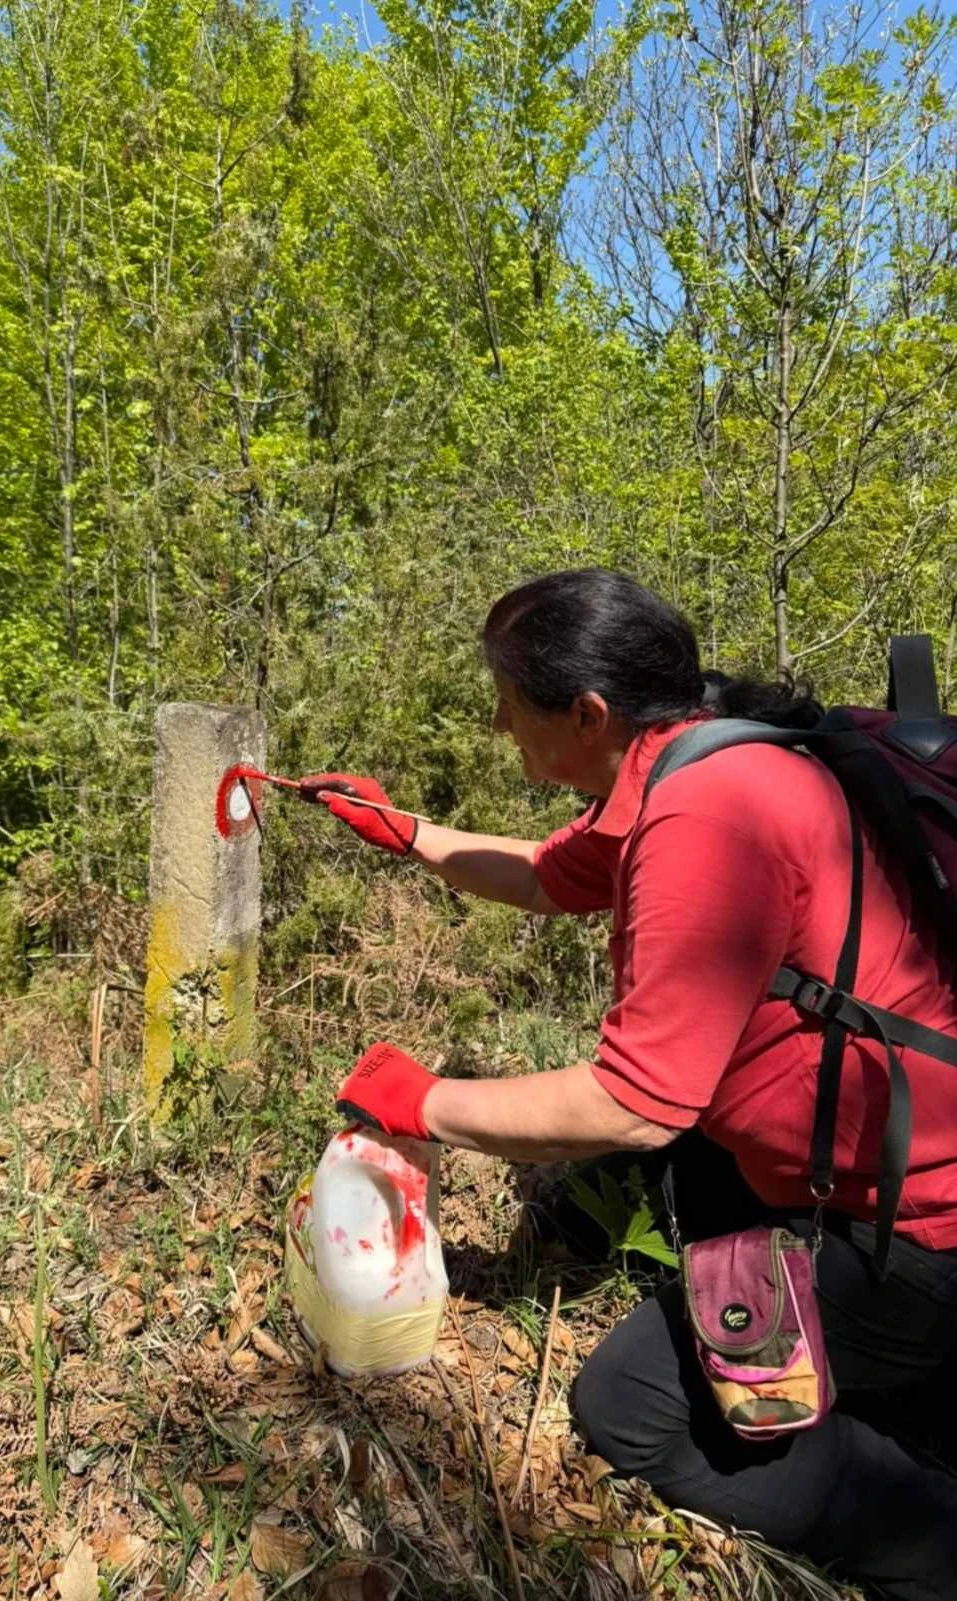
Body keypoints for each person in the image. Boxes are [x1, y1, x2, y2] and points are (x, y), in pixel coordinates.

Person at [301, 569, 957, 1601]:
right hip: (863, 1158)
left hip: (916, 1232)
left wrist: (421, 1100)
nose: (498, 724)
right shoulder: (695, 750)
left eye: (510, 702)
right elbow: (543, 874)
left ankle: (927, 1536)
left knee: (631, 1404)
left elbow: (636, 1102)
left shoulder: (706, 811)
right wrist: (407, 831)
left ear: (586, 710)